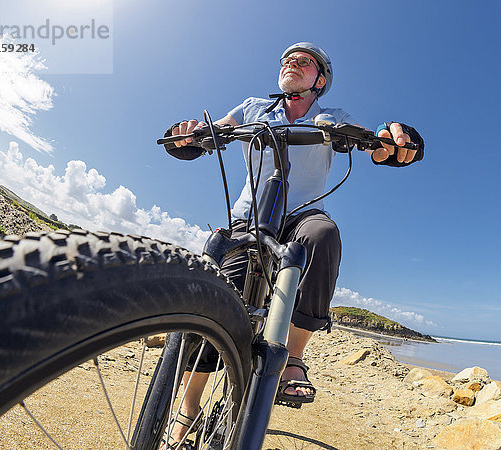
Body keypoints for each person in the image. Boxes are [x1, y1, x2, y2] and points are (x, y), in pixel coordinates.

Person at [163, 42, 424, 445]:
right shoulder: (254, 107)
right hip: (249, 216)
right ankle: (189, 405)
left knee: (323, 235)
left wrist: (390, 142)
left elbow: (372, 144)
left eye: (304, 63)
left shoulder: (332, 117)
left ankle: (294, 357)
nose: (292, 65)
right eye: (288, 61)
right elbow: (213, 132)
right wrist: (192, 137)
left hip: (302, 214)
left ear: (319, 81)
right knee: (213, 296)